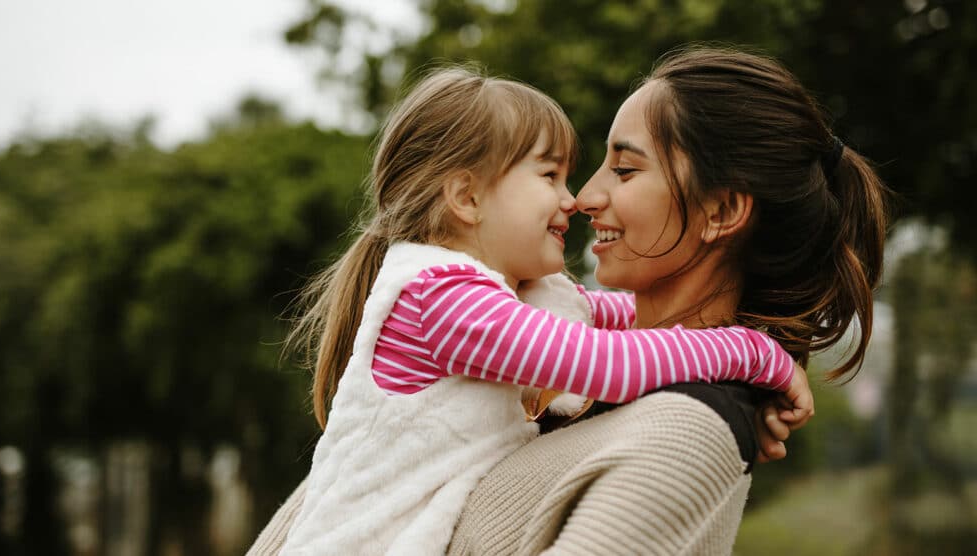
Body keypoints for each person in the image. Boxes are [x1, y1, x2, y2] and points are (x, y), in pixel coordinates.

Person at [266, 66, 809, 556]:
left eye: (621, 169)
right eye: (550, 177)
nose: (576, 200)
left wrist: (743, 372)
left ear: (723, 211)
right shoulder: (447, 302)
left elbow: (606, 318)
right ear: (467, 199)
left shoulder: (485, 299)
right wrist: (753, 353)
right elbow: (604, 361)